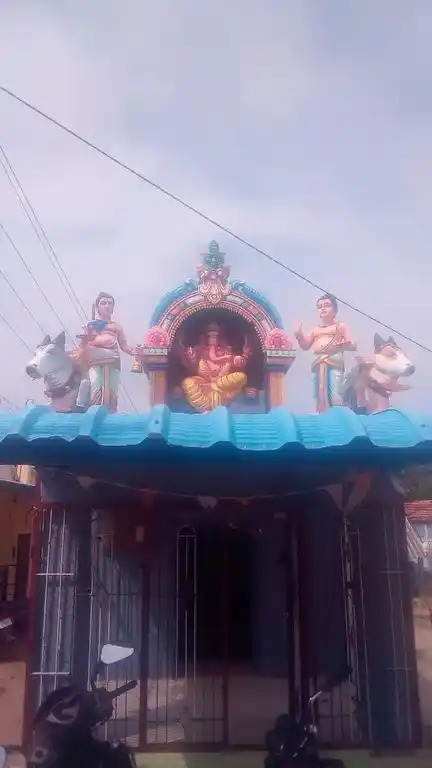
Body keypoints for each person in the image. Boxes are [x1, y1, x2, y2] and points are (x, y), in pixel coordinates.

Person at [76, 292, 140, 412]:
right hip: (95, 362)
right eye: (103, 303)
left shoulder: (117, 327)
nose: (107, 306)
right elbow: (82, 345)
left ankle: (111, 416)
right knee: (96, 389)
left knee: (112, 392)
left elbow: (124, 346)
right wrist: (87, 335)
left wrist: (135, 351)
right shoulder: (90, 325)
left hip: (113, 362)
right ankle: (93, 413)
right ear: (97, 307)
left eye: (110, 303)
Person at [294, 294, 357, 413]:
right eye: (319, 307)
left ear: (335, 310)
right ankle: (321, 413)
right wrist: (299, 334)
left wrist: (342, 345)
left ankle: (338, 414)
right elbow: (305, 346)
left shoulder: (341, 326)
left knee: (335, 392)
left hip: (334, 361)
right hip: (318, 362)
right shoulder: (315, 330)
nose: (322, 309)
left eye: (327, 305)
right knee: (318, 392)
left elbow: (353, 345)